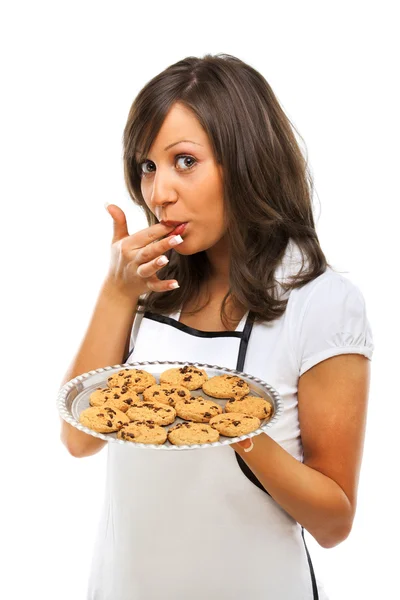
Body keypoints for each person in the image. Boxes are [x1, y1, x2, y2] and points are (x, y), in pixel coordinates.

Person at [60, 53, 373, 600]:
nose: (159, 194)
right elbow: (78, 438)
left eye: (184, 161)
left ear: (247, 160)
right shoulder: (149, 286)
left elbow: (334, 523)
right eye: (147, 166)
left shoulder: (321, 303)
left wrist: (237, 430)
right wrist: (116, 294)